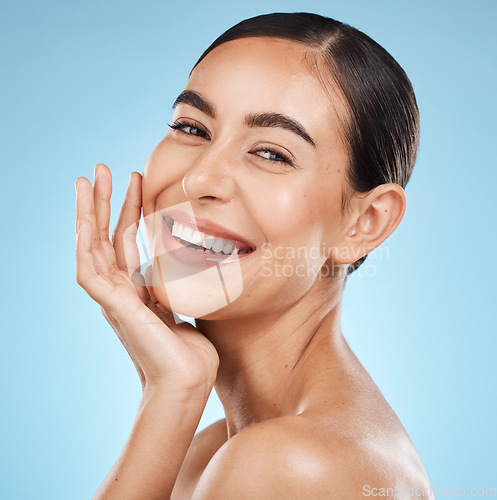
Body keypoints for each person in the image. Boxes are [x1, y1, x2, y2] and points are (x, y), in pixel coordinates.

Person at [74, 12, 433, 499]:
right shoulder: (208, 451)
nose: (200, 179)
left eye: (271, 153)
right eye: (192, 128)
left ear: (364, 223)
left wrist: (170, 400)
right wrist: (171, 395)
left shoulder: (287, 465)